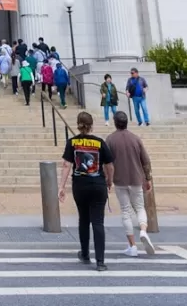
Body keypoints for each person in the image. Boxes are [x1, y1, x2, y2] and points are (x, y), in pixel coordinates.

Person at [59, 111, 115, 271]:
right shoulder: (99, 142)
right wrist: (109, 181)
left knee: (83, 219)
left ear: (78, 124)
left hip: (80, 184)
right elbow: (110, 165)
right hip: (98, 184)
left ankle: (84, 253)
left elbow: (66, 165)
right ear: (92, 125)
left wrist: (61, 186)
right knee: (98, 221)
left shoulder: (73, 142)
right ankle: (100, 261)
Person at [105, 113, 156, 256]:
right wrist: (148, 178)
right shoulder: (135, 139)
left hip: (120, 179)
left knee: (125, 211)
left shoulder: (110, 139)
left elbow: (106, 163)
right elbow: (145, 160)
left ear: (115, 123)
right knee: (139, 208)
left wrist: (108, 180)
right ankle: (143, 231)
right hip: (136, 178)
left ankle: (132, 245)